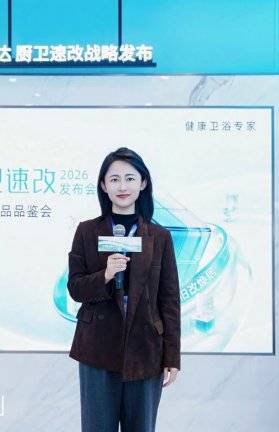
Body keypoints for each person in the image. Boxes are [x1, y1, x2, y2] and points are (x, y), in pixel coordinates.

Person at [67, 147, 181, 432]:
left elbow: (169, 299)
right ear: (103, 186)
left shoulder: (160, 236)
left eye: (130, 178)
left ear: (143, 183)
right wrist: (106, 275)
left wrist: (172, 356)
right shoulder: (87, 231)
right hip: (97, 348)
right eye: (114, 179)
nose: (122, 186)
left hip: (146, 349)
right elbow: (76, 288)